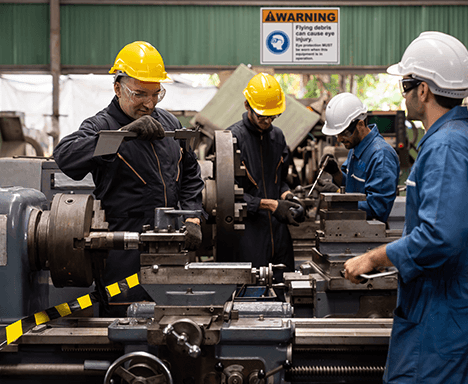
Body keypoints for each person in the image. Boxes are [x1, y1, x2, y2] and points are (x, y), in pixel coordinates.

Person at [343, 32, 468, 384]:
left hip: (437, 310)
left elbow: (439, 237)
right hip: (457, 301)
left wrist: (372, 258)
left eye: (405, 84)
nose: (403, 93)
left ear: (424, 90)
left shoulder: (445, 147)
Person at [53, 41, 207, 313]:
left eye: (156, 94)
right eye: (139, 94)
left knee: (170, 321)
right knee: (126, 324)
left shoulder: (169, 124)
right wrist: (123, 134)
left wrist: (192, 215)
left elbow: (191, 173)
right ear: (117, 88)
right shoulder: (102, 125)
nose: (149, 103)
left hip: (170, 246)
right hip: (122, 251)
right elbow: (65, 156)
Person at [227, 72, 304, 281]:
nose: (267, 121)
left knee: (285, 289)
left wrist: (288, 197)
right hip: (248, 235)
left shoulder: (277, 136)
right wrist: (270, 205)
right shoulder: (231, 139)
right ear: (247, 105)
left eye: (273, 116)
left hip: (279, 234)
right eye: (262, 116)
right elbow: (226, 196)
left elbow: (280, 180)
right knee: (250, 296)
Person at [317, 92, 400, 223]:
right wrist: (335, 172)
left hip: (368, 234)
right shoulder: (355, 148)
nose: (339, 139)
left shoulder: (381, 156)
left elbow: (377, 208)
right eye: (337, 135)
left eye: (344, 133)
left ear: (360, 125)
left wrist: (339, 200)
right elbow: (348, 185)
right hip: (353, 226)